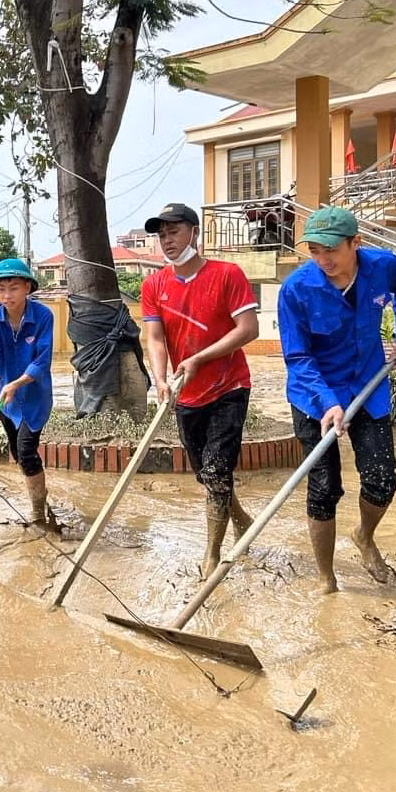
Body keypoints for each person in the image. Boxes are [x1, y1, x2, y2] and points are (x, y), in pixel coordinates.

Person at [278, 205, 396, 594]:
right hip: (314, 395)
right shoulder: (297, 290)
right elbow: (298, 357)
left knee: (381, 478)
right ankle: (326, 579)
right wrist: (327, 402)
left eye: (331, 249)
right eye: (314, 250)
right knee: (324, 489)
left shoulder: (384, 267)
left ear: (355, 243)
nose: (323, 259)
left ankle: (364, 535)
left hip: (367, 386)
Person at [139, 203, 259, 577]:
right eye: (162, 235)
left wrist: (199, 358)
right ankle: (239, 516)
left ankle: (212, 555)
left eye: (174, 232)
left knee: (217, 469)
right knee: (206, 475)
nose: (167, 241)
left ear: (194, 232)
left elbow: (248, 329)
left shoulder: (227, 274)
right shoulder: (154, 285)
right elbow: (155, 338)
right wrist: (160, 379)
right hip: (185, 392)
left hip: (229, 386)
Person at [0, 258, 58, 529]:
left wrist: (16, 383)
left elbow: (41, 360)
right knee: (16, 451)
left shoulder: (44, 316)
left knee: (26, 450)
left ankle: (37, 513)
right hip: (6, 400)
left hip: (35, 396)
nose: (6, 295)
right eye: (1, 289)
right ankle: (41, 497)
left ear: (27, 287)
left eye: (13, 287)